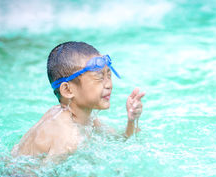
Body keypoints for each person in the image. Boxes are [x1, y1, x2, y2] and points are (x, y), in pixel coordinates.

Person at [11, 41, 145, 159]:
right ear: (68, 90)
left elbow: (120, 141)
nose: (109, 84)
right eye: (99, 77)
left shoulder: (84, 118)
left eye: (109, 75)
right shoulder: (67, 137)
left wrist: (132, 120)